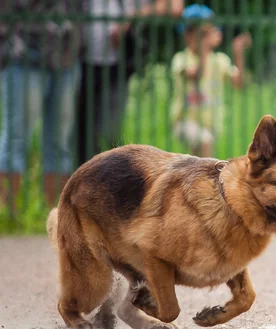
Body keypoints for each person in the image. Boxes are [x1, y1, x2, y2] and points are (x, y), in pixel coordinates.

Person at [76, 0, 184, 167]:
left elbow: (175, 6)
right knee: (77, 135)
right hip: (74, 63)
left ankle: (102, 179)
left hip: (117, 66)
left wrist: (131, 17)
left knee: (107, 133)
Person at [0, 0, 83, 212]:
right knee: (17, 138)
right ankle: (8, 214)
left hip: (66, 57)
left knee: (60, 144)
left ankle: (56, 217)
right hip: (23, 54)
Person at [170, 4, 252, 158]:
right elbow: (196, 74)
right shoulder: (181, 59)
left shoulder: (220, 60)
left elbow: (239, 84)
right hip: (185, 122)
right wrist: (203, 48)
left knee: (195, 162)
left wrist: (238, 53)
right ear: (188, 35)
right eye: (203, 33)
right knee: (205, 148)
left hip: (211, 124)